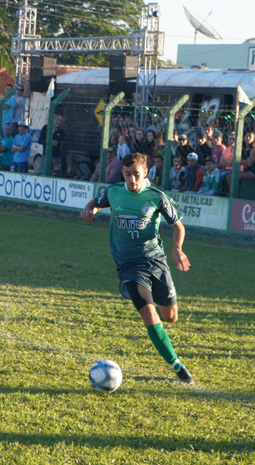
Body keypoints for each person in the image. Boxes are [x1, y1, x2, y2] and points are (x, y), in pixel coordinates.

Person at [81, 153, 194, 384]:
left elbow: (179, 227)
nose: (132, 179)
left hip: (156, 261)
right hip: (128, 265)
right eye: (127, 174)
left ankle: (163, 337)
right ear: (122, 173)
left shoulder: (156, 196)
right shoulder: (114, 191)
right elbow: (96, 202)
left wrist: (177, 248)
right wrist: (90, 209)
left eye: (136, 174)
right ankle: (178, 366)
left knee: (170, 317)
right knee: (148, 313)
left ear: (145, 173)